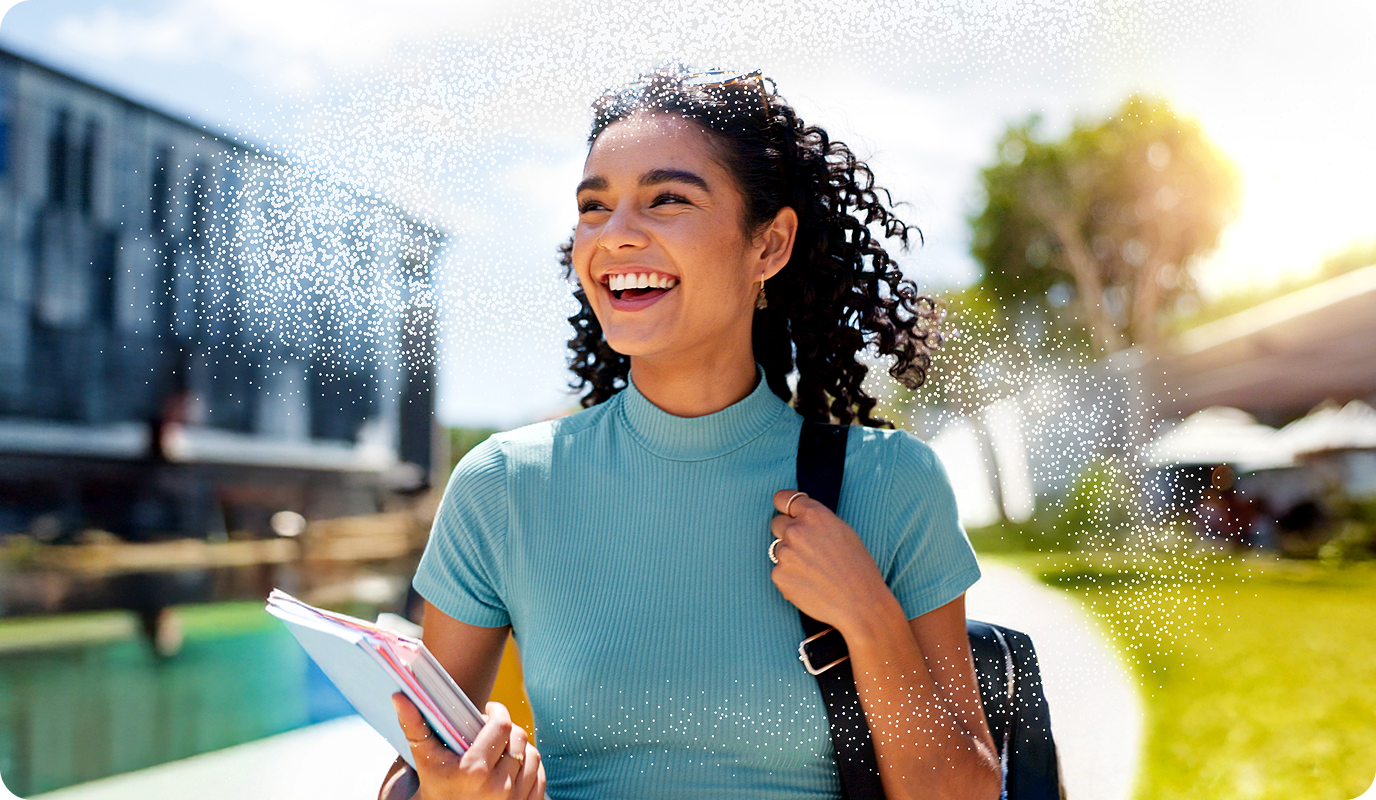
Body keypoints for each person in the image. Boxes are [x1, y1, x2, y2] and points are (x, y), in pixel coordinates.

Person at [383, 65, 1002, 800]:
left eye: (667, 199)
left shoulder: (890, 483)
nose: (614, 237)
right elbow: (412, 767)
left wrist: (870, 620)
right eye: (594, 207)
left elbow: (968, 793)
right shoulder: (503, 487)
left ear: (769, 246)